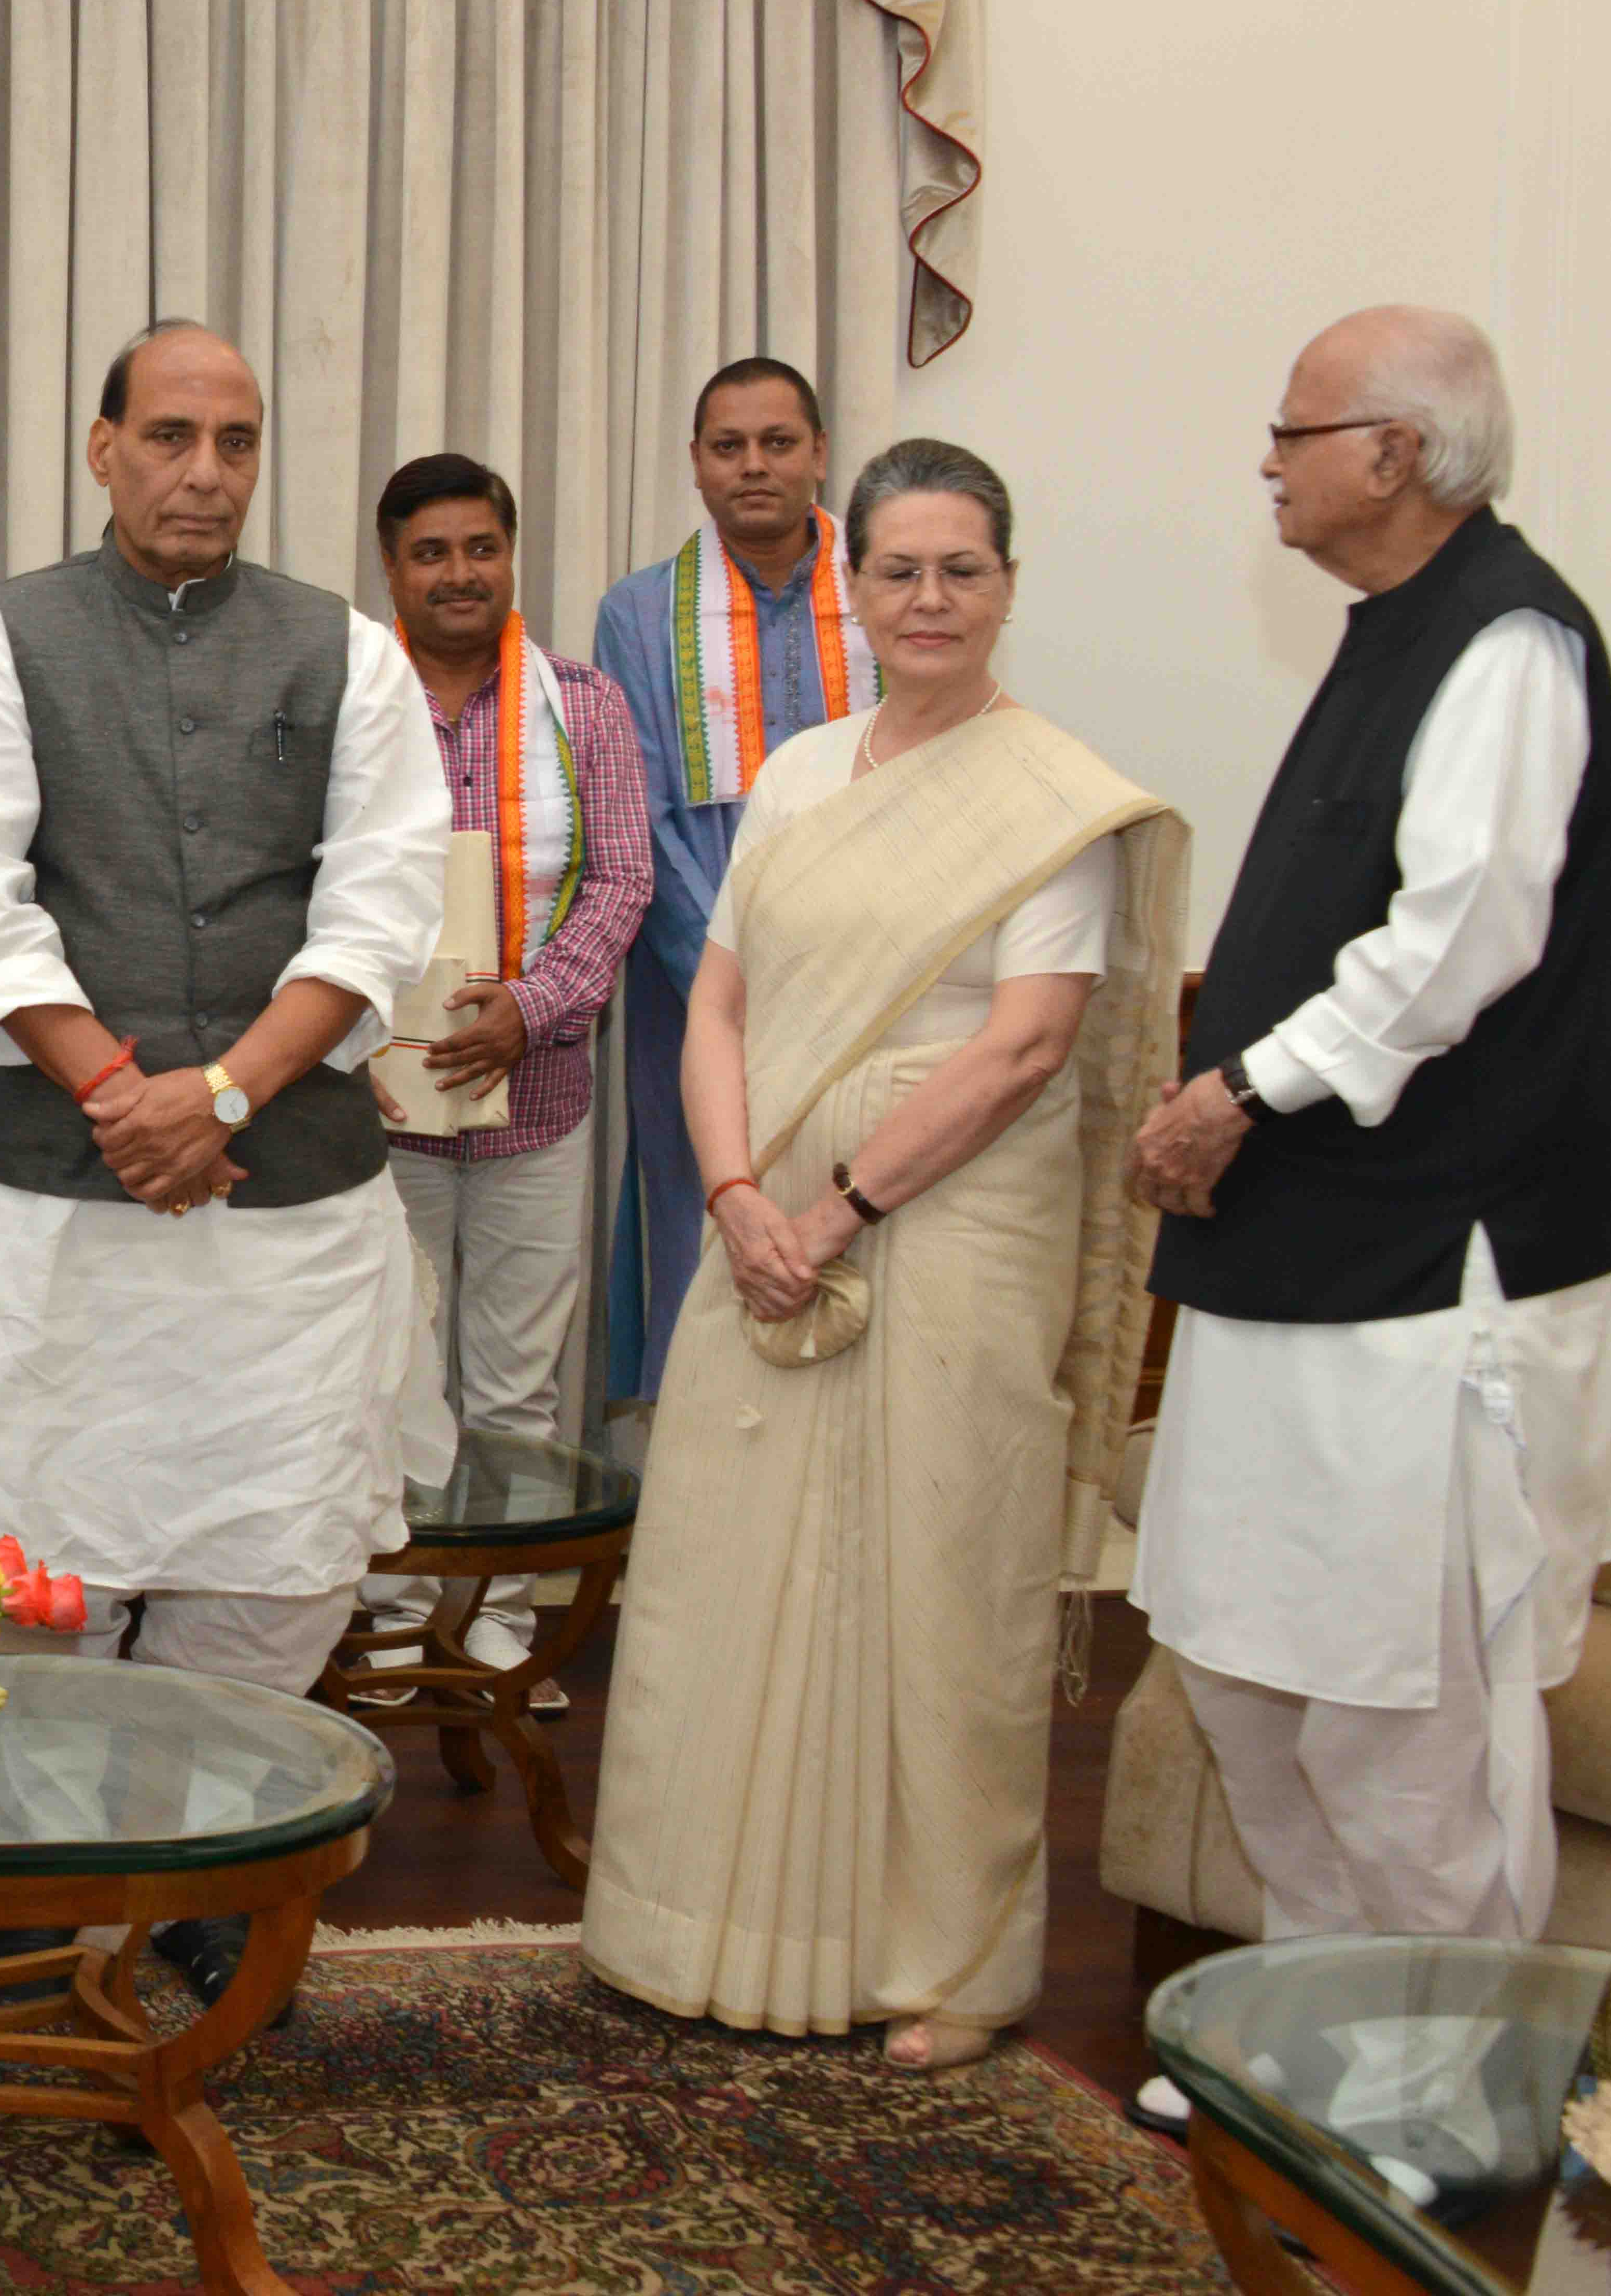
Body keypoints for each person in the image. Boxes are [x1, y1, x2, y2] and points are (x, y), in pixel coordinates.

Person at [583, 439, 1184, 2073]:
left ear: (1003, 586)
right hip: (758, 1209)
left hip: (947, 1217)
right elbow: (715, 1002)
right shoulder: (793, 772)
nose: (926, 599)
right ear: (851, 587)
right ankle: (696, 1921)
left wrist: (835, 1208)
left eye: (959, 571)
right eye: (898, 569)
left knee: (939, 1582)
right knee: (725, 1561)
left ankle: (947, 1965)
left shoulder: (1048, 798)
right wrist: (729, 1197)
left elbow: (1023, 1047)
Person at [0, 319, 450, 2011]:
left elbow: (383, 908)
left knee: (265, 1560)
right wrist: (133, 1096)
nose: (204, 471)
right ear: (103, 445)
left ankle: (218, 1884)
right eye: (172, 437)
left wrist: (219, 1092)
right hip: (60, 1210)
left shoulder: (347, 653)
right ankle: (34, 1894)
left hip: (280, 1216)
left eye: (236, 440)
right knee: (38, 1561)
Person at [1126, 310, 1611, 1998]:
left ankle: (1445, 2100)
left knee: (1405, 1724)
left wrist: (1237, 1090)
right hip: (1289, 1259)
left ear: (1396, 455)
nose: (1270, 460)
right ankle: (1316, 2045)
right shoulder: (1389, 631)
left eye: (1296, 430)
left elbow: (1460, 938)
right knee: (1246, 1677)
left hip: (1432, 1271)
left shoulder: (1509, 643)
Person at [353, 456, 650, 1711]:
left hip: (537, 1101)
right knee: (390, 1367)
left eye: (481, 547)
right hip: (381, 1110)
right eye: (432, 552)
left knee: (516, 1376)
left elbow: (621, 881)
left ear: (511, 554)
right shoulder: (349, 704)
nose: (459, 572)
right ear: (392, 569)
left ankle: (500, 1626)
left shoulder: (580, 704)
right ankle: (394, 1613)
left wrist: (525, 1012)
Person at [591, 359, 867, 1398]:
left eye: (777, 441)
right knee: (700, 1210)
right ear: (696, 466)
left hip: (875, 981)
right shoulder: (638, 612)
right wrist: (732, 973)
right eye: (727, 446)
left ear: (819, 453)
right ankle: (692, 1489)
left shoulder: (884, 585)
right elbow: (639, 816)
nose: (753, 465)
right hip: (694, 984)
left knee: (856, 1209)